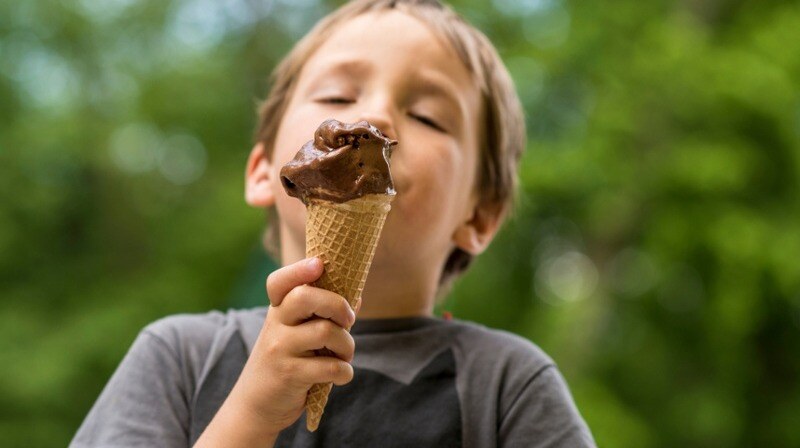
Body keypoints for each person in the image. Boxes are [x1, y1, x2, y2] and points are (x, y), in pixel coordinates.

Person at [71, 0, 596, 447]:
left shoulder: (509, 387)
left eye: (428, 117)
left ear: (478, 215)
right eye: (337, 97)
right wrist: (251, 414)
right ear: (261, 172)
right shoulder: (179, 357)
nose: (374, 119)